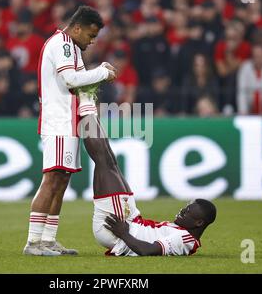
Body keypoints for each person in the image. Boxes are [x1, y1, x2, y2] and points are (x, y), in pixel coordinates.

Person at [23, 6, 116, 256]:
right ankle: (33, 243)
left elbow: (80, 84)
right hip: (59, 121)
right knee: (52, 179)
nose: (92, 40)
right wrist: (102, 72)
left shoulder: (72, 47)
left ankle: (48, 240)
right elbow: (70, 80)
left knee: (62, 179)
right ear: (76, 28)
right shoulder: (62, 44)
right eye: (90, 34)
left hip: (69, 121)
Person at [77, 92, 217, 256]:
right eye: (185, 207)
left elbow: (148, 250)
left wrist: (123, 233)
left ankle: (82, 101)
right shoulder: (183, 231)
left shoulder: (185, 239)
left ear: (199, 222)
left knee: (103, 161)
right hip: (132, 221)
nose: (181, 211)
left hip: (117, 229)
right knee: (110, 161)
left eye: (187, 212)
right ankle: (87, 104)